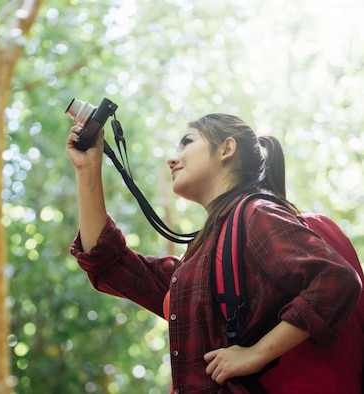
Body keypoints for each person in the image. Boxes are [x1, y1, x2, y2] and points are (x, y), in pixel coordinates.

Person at [66, 113, 363, 393]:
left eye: (188, 141)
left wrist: (256, 354)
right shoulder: (203, 255)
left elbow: (335, 278)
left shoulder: (255, 213)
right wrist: (87, 169)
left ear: (226, 149)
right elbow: (108, 264)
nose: (173, 158)